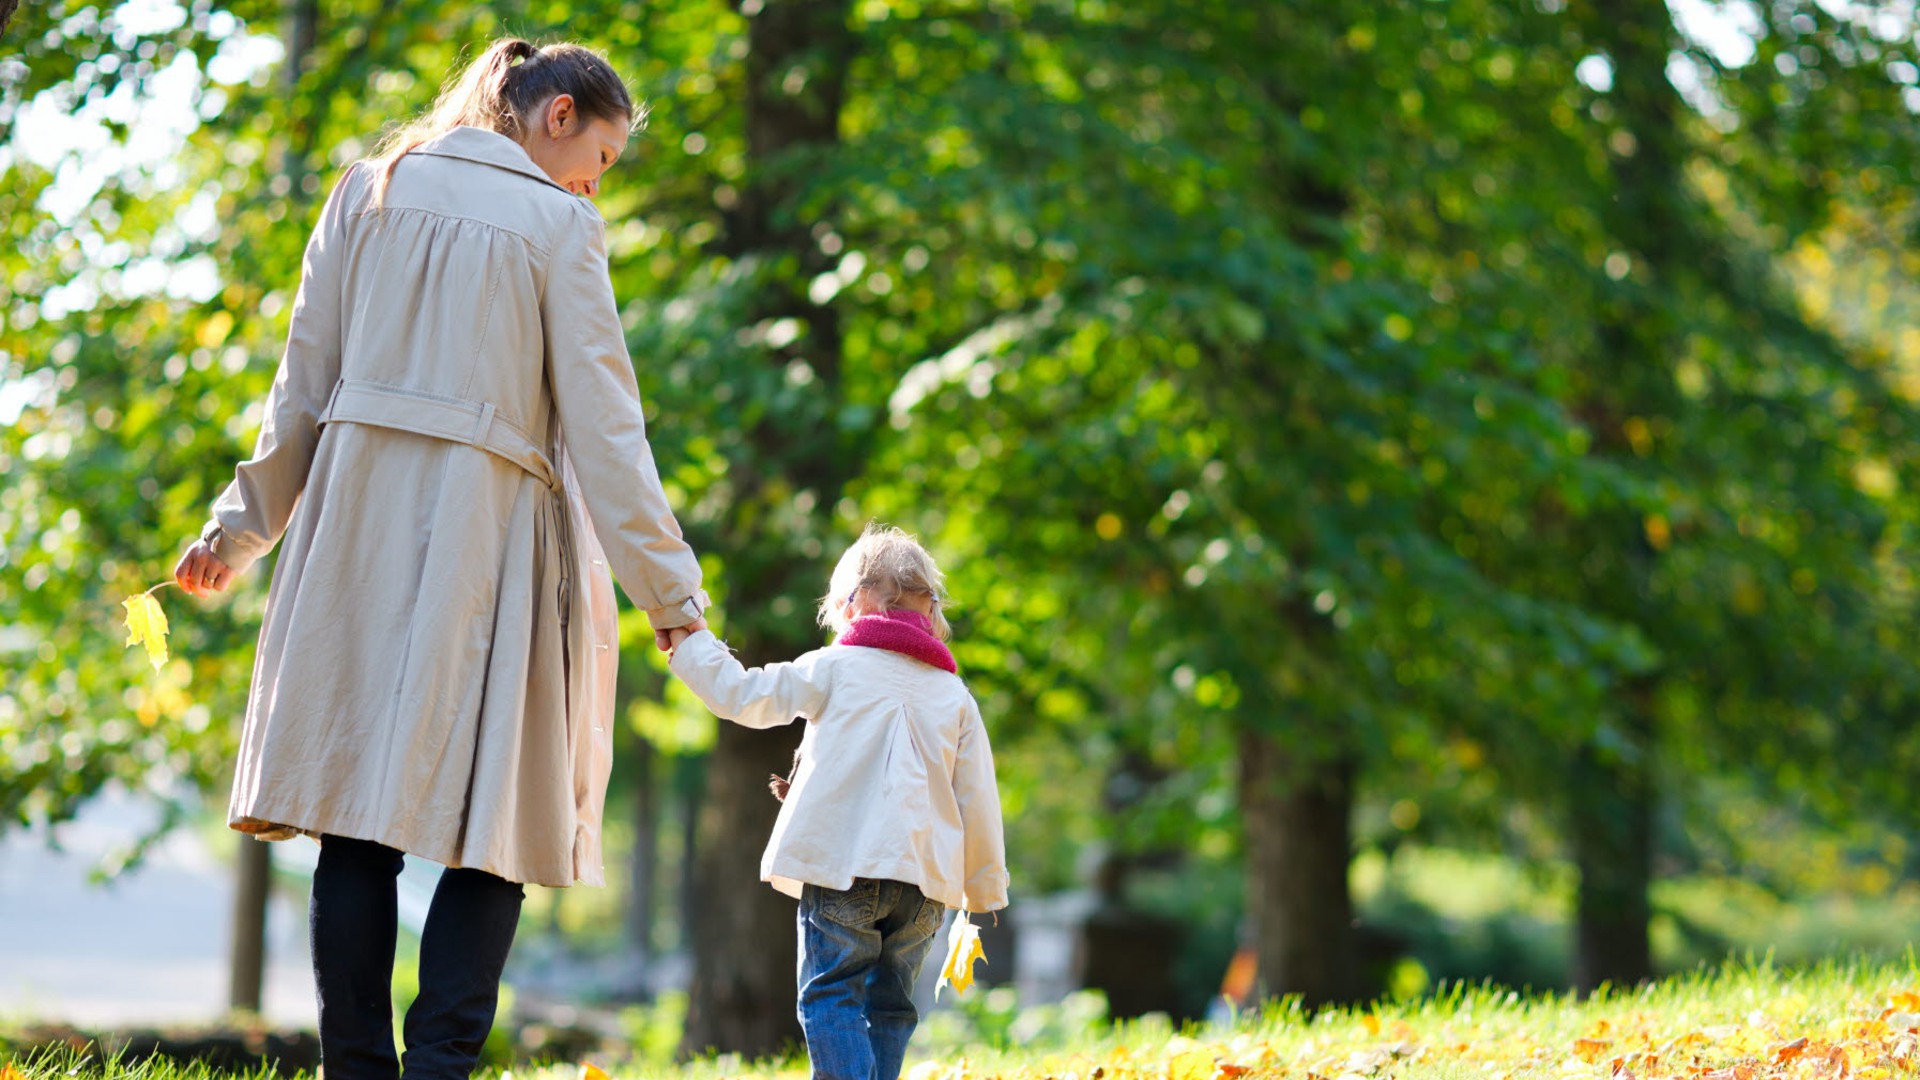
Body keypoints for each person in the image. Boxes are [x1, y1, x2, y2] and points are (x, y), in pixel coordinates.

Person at [170, 38, 709, 1080]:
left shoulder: (364, 192)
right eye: (603, 153)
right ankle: (439, 1071)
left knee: (352, 823)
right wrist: (671, 597)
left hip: (353, 532)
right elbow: (609, 435)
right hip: (490, 542)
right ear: (557, 117)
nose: (599, 180)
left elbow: (302, 389)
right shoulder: (561, 226)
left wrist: (238, 531)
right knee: (495, 821)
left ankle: (358, 1068)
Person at [666, 524, 1009, 1080]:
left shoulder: (833, 667)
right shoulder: (954, 696)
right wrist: (984, 886)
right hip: (925, 886)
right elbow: (978, 795)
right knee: (892, 1008)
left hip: (847, 866)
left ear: (855, 602)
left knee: (831, 997)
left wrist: (693, 644)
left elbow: (744, 696)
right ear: (929, 610)